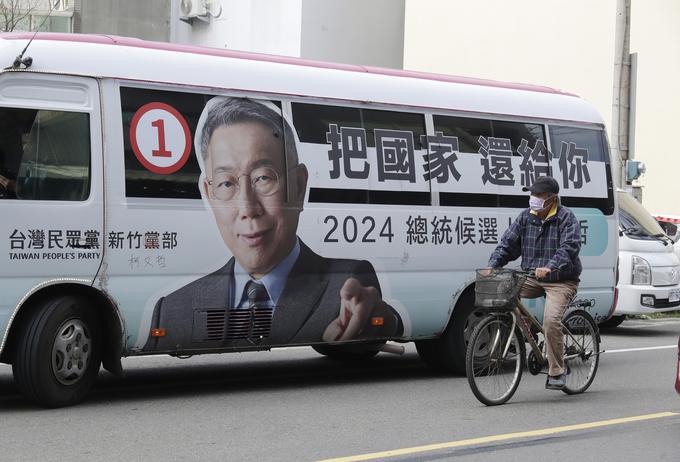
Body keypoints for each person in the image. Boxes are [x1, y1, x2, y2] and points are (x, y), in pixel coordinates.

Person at [144, 97, 402, 352]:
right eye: (226, 183)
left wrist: (388, 323)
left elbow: (373, 318)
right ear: (209, 195)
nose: (248, 208)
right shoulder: (172, 309)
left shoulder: (345, 285)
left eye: (263, 178)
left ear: (299, 186)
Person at [485, 175, 582, 390]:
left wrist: (550, 266)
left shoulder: (567, 218)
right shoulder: (525, 218)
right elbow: (507, 244)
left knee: (550, 321)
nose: (533, 199)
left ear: (552, 199)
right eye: (532, 194)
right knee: (505, 293)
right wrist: (493, 265)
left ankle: (557, 371)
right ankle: (521, 331)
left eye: (538, 195)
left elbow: (570, 247)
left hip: (561, 279)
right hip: (531, 276)